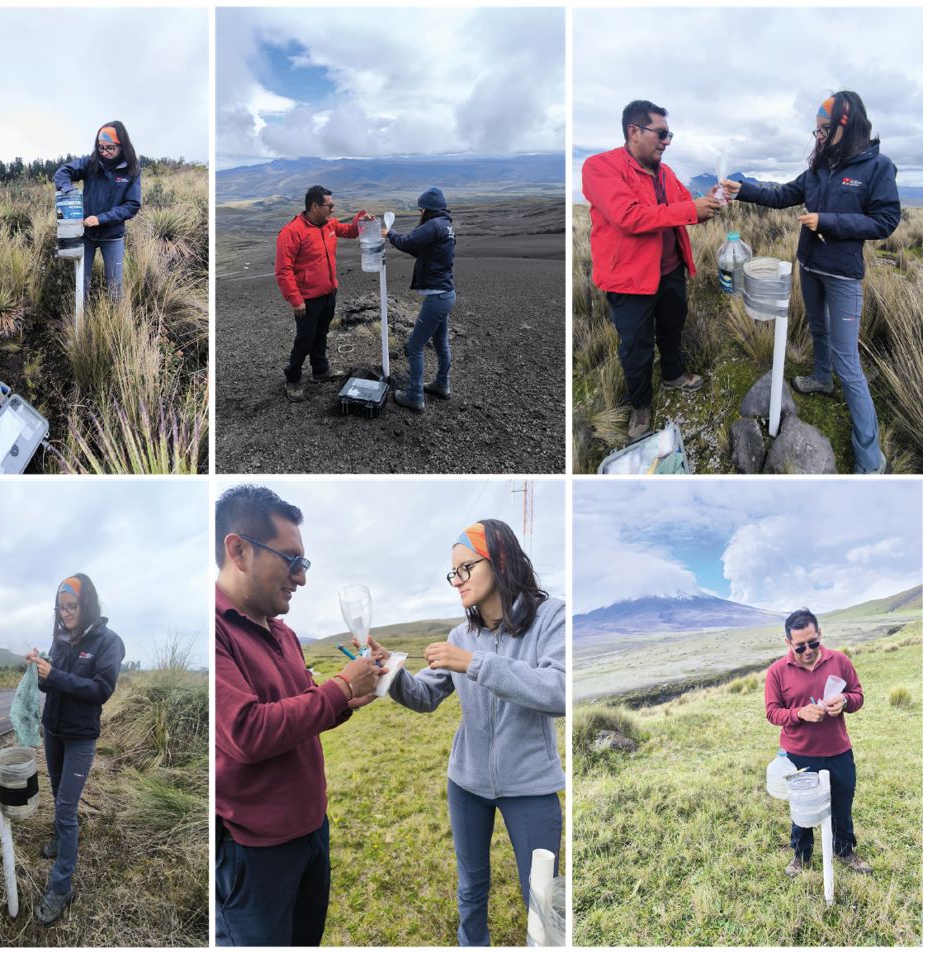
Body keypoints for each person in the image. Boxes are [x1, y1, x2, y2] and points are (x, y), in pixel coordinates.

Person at [365, 520, 565, 946]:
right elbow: (423, 696)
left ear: (502, 560)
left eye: (465, 568)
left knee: (542, 895)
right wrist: (393, 673)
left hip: (530, 786)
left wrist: (474, 664)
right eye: (453, 573)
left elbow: (560, 691)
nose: (457, 581)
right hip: (466, 784)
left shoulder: (551, 617)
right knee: (471, 889)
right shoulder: (461, 634)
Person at [215, 484, 386, 945]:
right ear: (240, 551)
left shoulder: (283, 633)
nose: (302, 578)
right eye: (292, 561)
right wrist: (341, 687)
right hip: (254, 852)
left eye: (303, 563)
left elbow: (305, 712)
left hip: (312, 831)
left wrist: (350, 699)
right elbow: (247, 731)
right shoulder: (212, 629)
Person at [723, 91, 900, 474]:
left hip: (842, 274)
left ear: (846, 125)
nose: (817, 136)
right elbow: (784, 194)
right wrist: (744, 189)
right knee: (817, 328)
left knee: (848, 360)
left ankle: (871, 458)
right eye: (815, 129)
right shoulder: (820, 166)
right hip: (809, 264)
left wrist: (828, 222)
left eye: (824, 129)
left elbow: (885, 222)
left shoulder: (877, 167)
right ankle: (821, 379)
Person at [582, 100, 721, 441]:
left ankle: (673, 374)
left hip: (670, 272)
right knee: (635, 346)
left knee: (673, 327)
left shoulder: (666, 172)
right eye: (661, 133)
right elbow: (629, 216)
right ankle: (640, 405)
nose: (667, 141)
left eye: (668, 134)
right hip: (628, 280)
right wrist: (690, 210)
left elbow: (683, 204)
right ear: (634, 131)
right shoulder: (600, 167)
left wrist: (710, 200)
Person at [26, 574, 126, 925]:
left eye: (72, 607)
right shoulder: (61, 639)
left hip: (80, 737)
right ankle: (59, 839)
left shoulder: (109, 642)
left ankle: (62, 886)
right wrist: (40, 669)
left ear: (87, 605)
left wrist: (54, 675)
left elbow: (99, 690)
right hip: (53, 731)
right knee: (58, 795)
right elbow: (49, 684)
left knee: (67, 809)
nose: (65, 613)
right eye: (61, 607)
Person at [764, 608, 869, 878]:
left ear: (820, 633)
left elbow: (858, 696)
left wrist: (845, 701)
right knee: (802, 808)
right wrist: (799, 713)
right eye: (800, 646)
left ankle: (844, 851)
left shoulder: (840, 661)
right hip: (799, 755)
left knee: (843, 804)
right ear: (788, 642)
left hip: (838, 750)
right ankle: (801, 855)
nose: (808, 650)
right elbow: (772, 712)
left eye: (813, 642)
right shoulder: (777, 671)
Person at [275, 186, 372, 402]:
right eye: (330, 206)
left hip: (328, 293)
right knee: (305, 339)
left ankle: (320, 370)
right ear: (314, 206)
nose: (333, 210)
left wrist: (361, 219)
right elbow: (284, 270)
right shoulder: (292, 232)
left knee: (321, 333)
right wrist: (296, 299)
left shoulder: (330, 224)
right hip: (307, 299)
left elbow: (351, 231)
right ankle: (292, 378)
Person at [383, 187, 456, 412]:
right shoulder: (445, 225)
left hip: (437, 298)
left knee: (415, 345)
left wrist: (390, 234)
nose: (419, 213)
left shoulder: (433, 225)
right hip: (446, 294)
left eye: (420, 209)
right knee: (441, 343)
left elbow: (408, 242)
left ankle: (415, 396)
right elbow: (425, 251)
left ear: (426, 209)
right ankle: (442, 385)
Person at [54, 122, 142, 300]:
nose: (105, 152)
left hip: (113, 236)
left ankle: (116, 323)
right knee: (81, 283)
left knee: (115, 287)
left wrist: (101, 219)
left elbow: (132, 205)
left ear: (122, 146)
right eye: (101, 148)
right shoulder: (91, 163)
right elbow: (62, 173)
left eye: (110, 148)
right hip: (86, 235)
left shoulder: (132, 169)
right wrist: (69, 191)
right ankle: (82, 323)